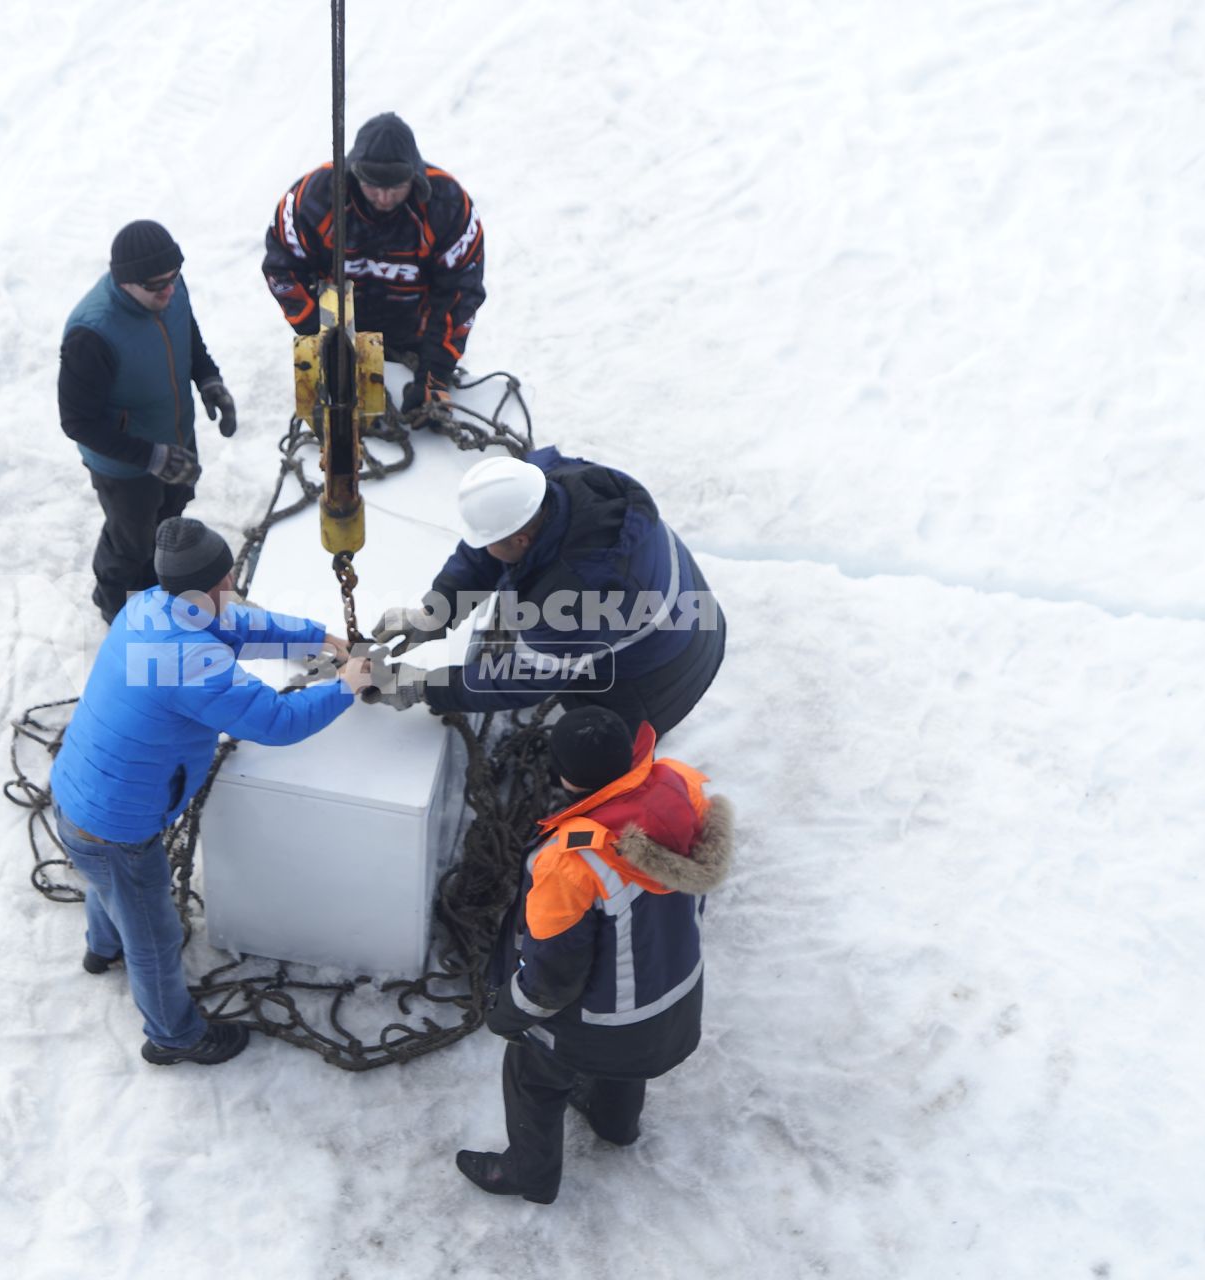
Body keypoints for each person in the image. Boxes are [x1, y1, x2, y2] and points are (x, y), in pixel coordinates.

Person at [48, 517, 373, 1066]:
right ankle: (174, 1037)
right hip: (116, 826)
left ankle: (102, 950)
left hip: (79, 795)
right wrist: (346, 686)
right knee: (152, 939)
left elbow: (242, 624)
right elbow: (275, 722)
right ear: (216, 582)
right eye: (228, 577)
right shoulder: (188, 659)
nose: (234, 586)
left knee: (109, 886)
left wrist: (319, 638)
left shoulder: (150, 605)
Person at [456, 706, 735, 1203]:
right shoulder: (683, 793)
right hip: (675, 1002)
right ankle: (616, 1124)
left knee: (531, 1073)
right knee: (622, 1061)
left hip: (604, 1029)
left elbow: (552, 978)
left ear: (564, 774)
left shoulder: (571, 860)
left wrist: (508, 1013)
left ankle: (529, 1175)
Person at [371, 449, 726, 736]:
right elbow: (486, 548)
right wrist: (436, 610)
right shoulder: (547, 484)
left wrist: (426, 686)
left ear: (521, 540)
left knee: (592, 741)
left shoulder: (575, 600)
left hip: (662, 677)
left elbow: (527, 678)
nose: (482, 546)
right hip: (685, 609)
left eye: (490, 541)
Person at [61, 220, 239, 623]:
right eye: (158, 285)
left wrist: (209, 380)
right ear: (126, 283)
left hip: (175, 439)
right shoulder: (91, 333)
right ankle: (116, 611)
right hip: (124, 464)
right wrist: (151, 457)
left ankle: (158, 592)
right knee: (131, 540)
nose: (170, 290)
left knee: (170, 521)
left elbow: (187, 337)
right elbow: (77, 422)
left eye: (174, 278)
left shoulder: (169, 290)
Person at [262, 112, 486, 416]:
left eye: (396, 187)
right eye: (372, 186)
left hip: (416, 339)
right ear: (354, 175)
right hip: (333, 328)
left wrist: (436, 373)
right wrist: (318, 337)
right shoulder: (313, 198)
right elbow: (282, 268)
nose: (383, 197)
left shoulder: (448, 206)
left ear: (414, 179)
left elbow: (461, 293)